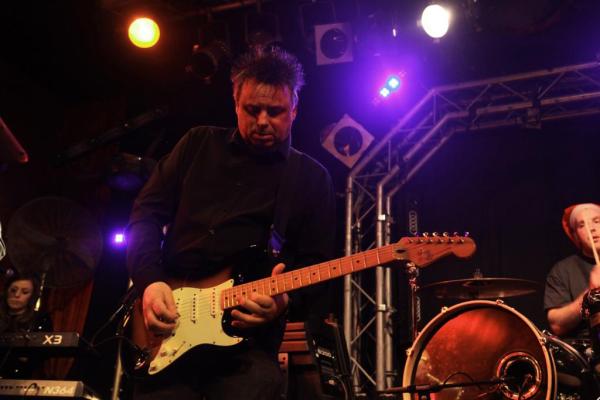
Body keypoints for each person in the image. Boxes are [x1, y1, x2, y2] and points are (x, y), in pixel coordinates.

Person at [126, 46, 336, 399]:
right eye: (252, 109)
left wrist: (283, 301)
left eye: (275, 111)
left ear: (294, 109)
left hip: (246, 351)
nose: (263, 121)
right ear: (236, 103)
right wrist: (150, 281)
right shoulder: (197, 144)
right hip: (166, 331)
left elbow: (317, 267)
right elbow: (145, 215)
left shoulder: (311, 179)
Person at [544, 203, 600, 338]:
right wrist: (591, 294)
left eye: (597, 221)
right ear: (575, 236)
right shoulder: (562, 270)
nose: (591, 228)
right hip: (585, 347)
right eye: (582, 225)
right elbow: (556, 325)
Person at [0, 270, 52, 378]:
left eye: (25, 292)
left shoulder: (40, 320)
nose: (17, 295)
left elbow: (42, 355)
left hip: (19, 379)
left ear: (32, 297)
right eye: (13, 290)